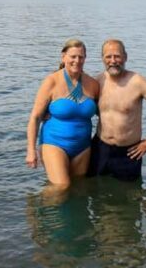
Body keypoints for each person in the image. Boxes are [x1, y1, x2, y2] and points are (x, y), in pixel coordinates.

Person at [88, 39, 146, 181]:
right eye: (108, 56)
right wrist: (50, 113)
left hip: (129, 152)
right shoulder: (97, 82)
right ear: (102, 58)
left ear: (125, 57)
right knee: (95, 194)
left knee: (129, 198)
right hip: (99, 149)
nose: (113, 60)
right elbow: (76, 104)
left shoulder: (137, 82)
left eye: (117, 56)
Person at [26, 39, 100, 187]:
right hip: (54, 143)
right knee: (61, 187)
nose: (77, 61)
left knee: (78, 188)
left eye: (81, 57)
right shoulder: (51, 81)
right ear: (63, 56)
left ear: (85, 58)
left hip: (83, 147)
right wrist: (31, 150)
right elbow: (35, 117)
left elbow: (104, 113)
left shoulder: (93, 84)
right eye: (73, 56)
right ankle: (35, 207)